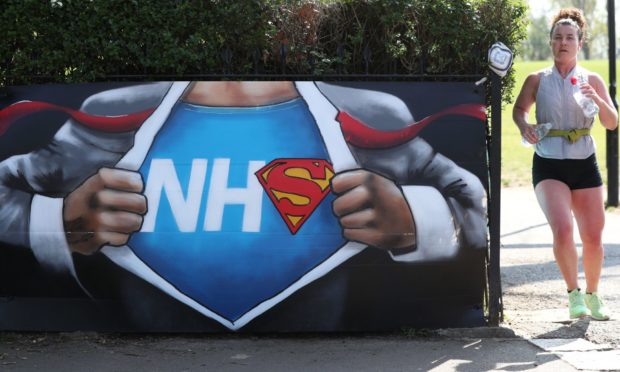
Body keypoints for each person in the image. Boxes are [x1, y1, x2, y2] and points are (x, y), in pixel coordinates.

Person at [0, 81, 488, 330]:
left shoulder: (370, 116)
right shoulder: (112, 111)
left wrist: (413, 217)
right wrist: (59, 221)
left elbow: (473, 206)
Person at [513, 8, 618, 320]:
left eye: (570, 37)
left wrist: (598, 100)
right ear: (550, 43)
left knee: (593, 237)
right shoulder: (537, 79)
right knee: (562, 230)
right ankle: (574, 294)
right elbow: (519, 110)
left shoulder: (593, 79)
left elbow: (612, 123)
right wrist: (524, 126)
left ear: (580, 43)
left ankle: (593, 294)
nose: (563, 42)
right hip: (548, 163)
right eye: (557, 37)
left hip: (584, 161)